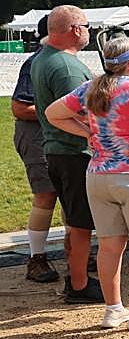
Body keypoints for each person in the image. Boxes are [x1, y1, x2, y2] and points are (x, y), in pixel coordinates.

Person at [46, 36, 129, 331]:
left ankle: (113, 310)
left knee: (109, 246)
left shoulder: (91, 89)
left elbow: (53, 113)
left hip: (99, 175)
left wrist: (87, 134)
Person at [30, 5, 102, 303]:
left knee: (75, 220)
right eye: (86, 25)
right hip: (75, 153)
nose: (89, 30)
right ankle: (79, 284)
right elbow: (82, 112)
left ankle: (78, 278)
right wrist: (97, 134)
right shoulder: (67, 67)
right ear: (74, 29)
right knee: (81, 223)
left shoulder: (44, 58)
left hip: (58, 150)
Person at [12, 15, 60, 283]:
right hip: (37, 136)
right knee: (46, 194)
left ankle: (76, 250)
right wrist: (60, 114)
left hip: (54, 136)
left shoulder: (55, 60)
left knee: (69, 192)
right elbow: (19, 107)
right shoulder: (37, 62)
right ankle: (36, 259)